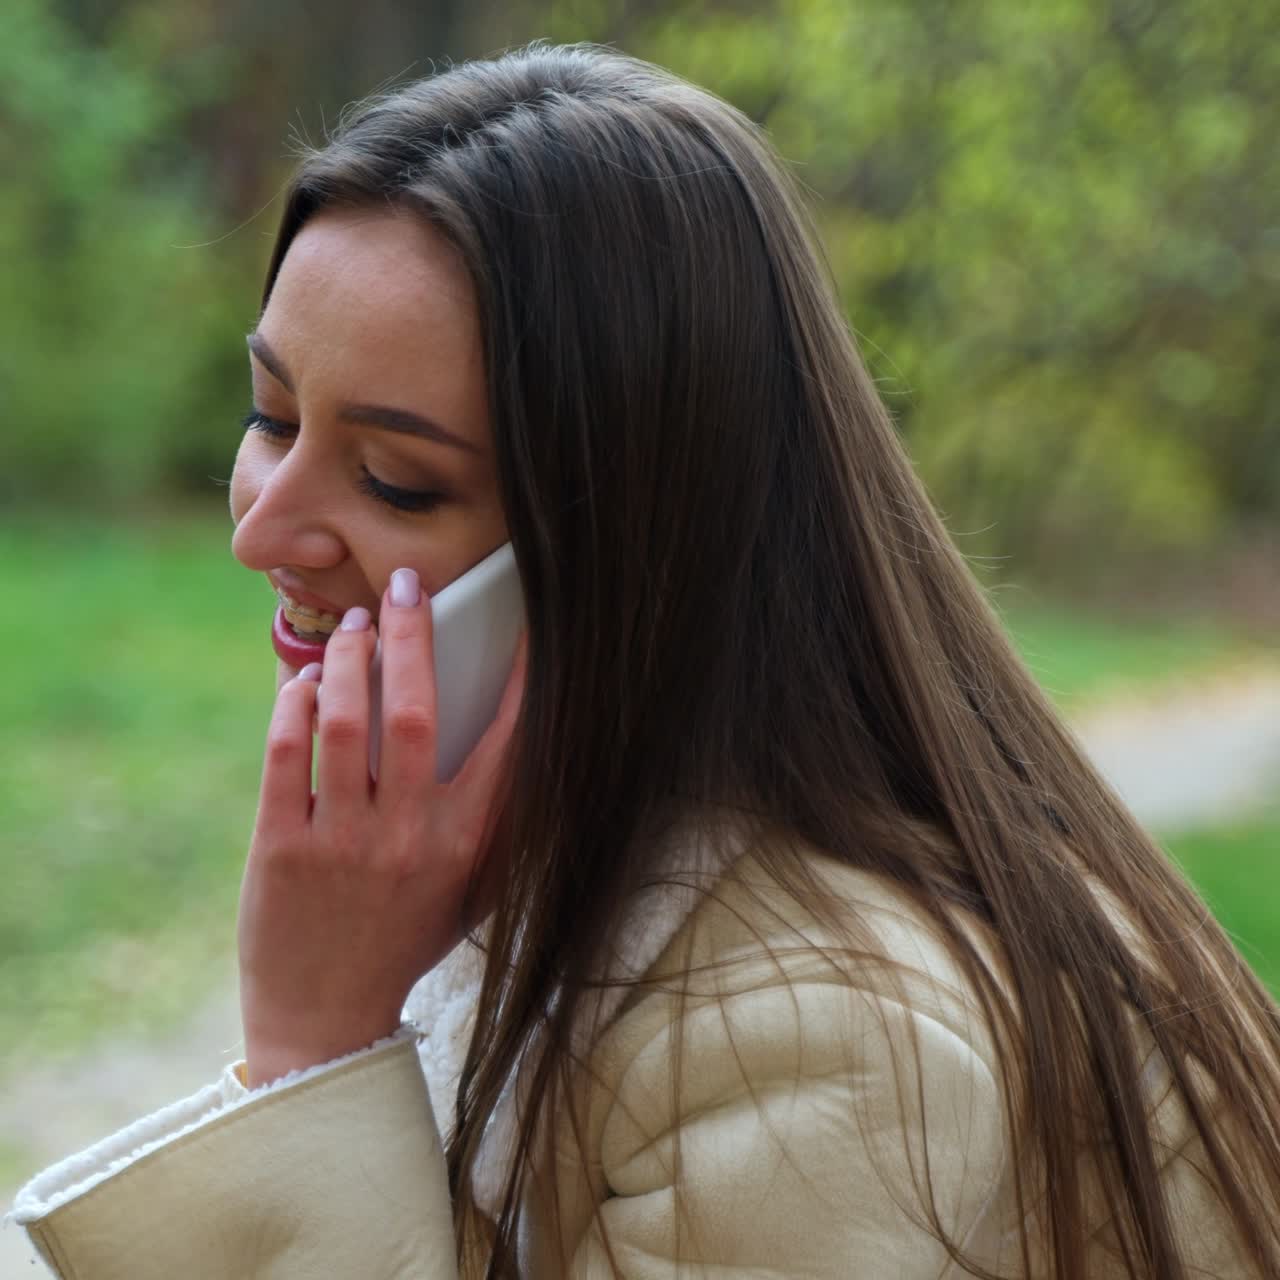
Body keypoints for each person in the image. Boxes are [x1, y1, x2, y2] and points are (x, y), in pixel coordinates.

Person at [8, 40, 1280, 1279]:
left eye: (396, 478)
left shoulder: (821, 1031)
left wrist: (313, 1044)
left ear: (629, 539)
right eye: (270, 415)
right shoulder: (553, 844)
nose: (257, 528)